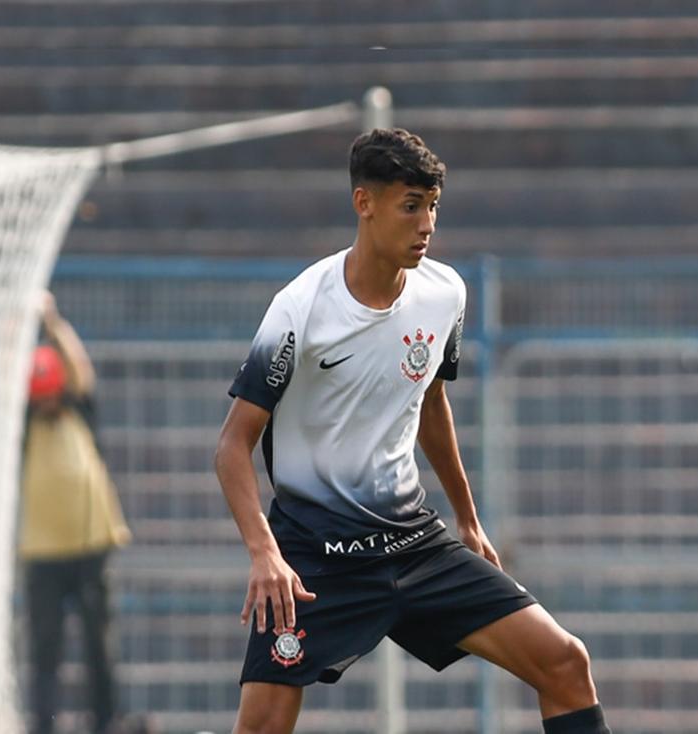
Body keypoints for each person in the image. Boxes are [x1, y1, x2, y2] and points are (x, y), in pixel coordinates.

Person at [215, 128, 610, 734]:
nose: (426, 224)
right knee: (262, 726)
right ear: (364, 203)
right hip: (318, 557)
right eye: (410, 206)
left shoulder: (444, 293)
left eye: (432, 206)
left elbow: (430, 402)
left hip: (413, 545)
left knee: (565, 663)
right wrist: (265, 554)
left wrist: (468, 520)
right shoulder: (300, 308)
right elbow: (231, 446)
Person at [20, 292, 132, 734]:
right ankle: (42, 726)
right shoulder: (24, 426)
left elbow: (79, 368)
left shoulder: (79, 411)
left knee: (98, 647)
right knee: (45, 652)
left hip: (89, 545)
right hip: (43, 552)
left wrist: (51, 323)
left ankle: (105, 723)